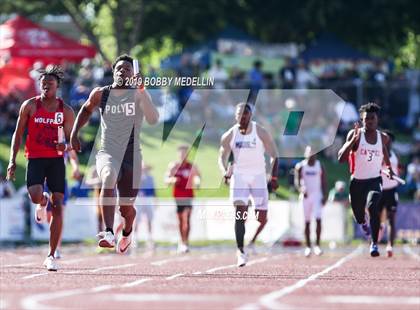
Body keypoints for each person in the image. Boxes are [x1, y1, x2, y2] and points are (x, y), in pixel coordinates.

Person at [70, 54, 159, 254]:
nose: (122, 72)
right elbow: (85, 110)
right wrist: (74, 134)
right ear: (113, 72)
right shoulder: (101, 94)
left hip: (132, 155)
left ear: (133, 74)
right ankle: (109, 232)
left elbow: (153, 119)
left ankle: (127, 232)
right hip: (108, 151)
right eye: (119, 68)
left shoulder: (138, 94)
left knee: (126, 208)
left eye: (127, 69)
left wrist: (143, 90)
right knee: (108, 177)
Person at [6, 65, 75, 271]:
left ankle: (51, 254)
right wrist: (11, 160)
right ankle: (42, 201)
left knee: (59, 205)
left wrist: (67, 145)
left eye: (50, 84)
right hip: (35, 158)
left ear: (57, 86)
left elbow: (73, 141)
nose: (45, 87)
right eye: (43, 83)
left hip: (55, 161)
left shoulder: (67, 111)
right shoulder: (30, 106)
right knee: (36, 196)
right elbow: (17, 134)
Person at [218, 102, 279, 267]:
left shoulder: (260, 132)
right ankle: (241, 251)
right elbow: (221, 156)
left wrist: (273, 177)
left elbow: (274, 155)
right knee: (240, 213)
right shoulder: (230, 134)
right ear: (235, 116)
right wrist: (225, 171)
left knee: (262, 218)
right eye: (238, 115)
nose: (241, 117)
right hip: (240, 176)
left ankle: (250, 206)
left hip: (259, 176)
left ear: (250, 115)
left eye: (244, 114)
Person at [338, 102, 395, 257]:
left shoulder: (383, 138)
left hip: (374, 180)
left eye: (372, 118)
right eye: (366, 119)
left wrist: (388, 167)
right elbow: (340, 158)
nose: (369, 121)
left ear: (377, 119)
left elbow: (383, 151)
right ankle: (364, 223)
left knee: (373, 206)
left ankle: (374, 244)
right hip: (357, 182)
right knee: (359, 216)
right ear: (362, 120)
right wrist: (352, 141)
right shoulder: (355, 135)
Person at [45, 149, 81, 259]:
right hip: (45, 181)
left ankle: (56, 247)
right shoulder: (45, 138)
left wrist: (75, 168)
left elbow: (73, 156)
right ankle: (53, 243)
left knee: (59, 214)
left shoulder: (64, 139)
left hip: (60, 181)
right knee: (48, 216)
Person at [165, 145, 201, 253]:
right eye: (181, 153)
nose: (183, 155)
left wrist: (197, 181)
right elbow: (166, 179)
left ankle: (186, 242)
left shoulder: (191, 166)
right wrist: (172, 180)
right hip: (178, 196)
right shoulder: (174, 166)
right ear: (178, 154)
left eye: (185, 153)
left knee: (188, 218)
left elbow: (198, 176)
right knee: (181, 219)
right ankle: (181, 241)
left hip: (189, 195)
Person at [294, 146, 327, 257]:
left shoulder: (319, 165)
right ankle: (308, 247)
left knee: (318, 220)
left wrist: (325, 195)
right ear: (305, 154)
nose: (312, 155)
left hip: (317, 195)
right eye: (310, 153)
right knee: (307, 222)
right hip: (306, 197)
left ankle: (317, 246)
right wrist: (301, 189)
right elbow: (297, 182)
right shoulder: (300, 166)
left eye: (314, 153)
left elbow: (324, 181)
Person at [378, 130, 400, 257]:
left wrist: (396, 175)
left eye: (389, 141)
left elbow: (398, 170)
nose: (387, 142)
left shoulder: (395, 156)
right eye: (385, 140)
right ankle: (376, 238)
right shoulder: (378, 154)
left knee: (391, 218)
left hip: (391, 190)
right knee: (377, 217)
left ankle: (390, 245)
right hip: (380, 189)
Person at [137, 163, 156, 249]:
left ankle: (149, 239)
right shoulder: (137, 178)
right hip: (139, 199)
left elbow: (153, 190)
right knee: (136, 220)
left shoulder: (150, 178)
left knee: (149, 220)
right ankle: (135, 239)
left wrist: (156, 200)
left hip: (148, 199)